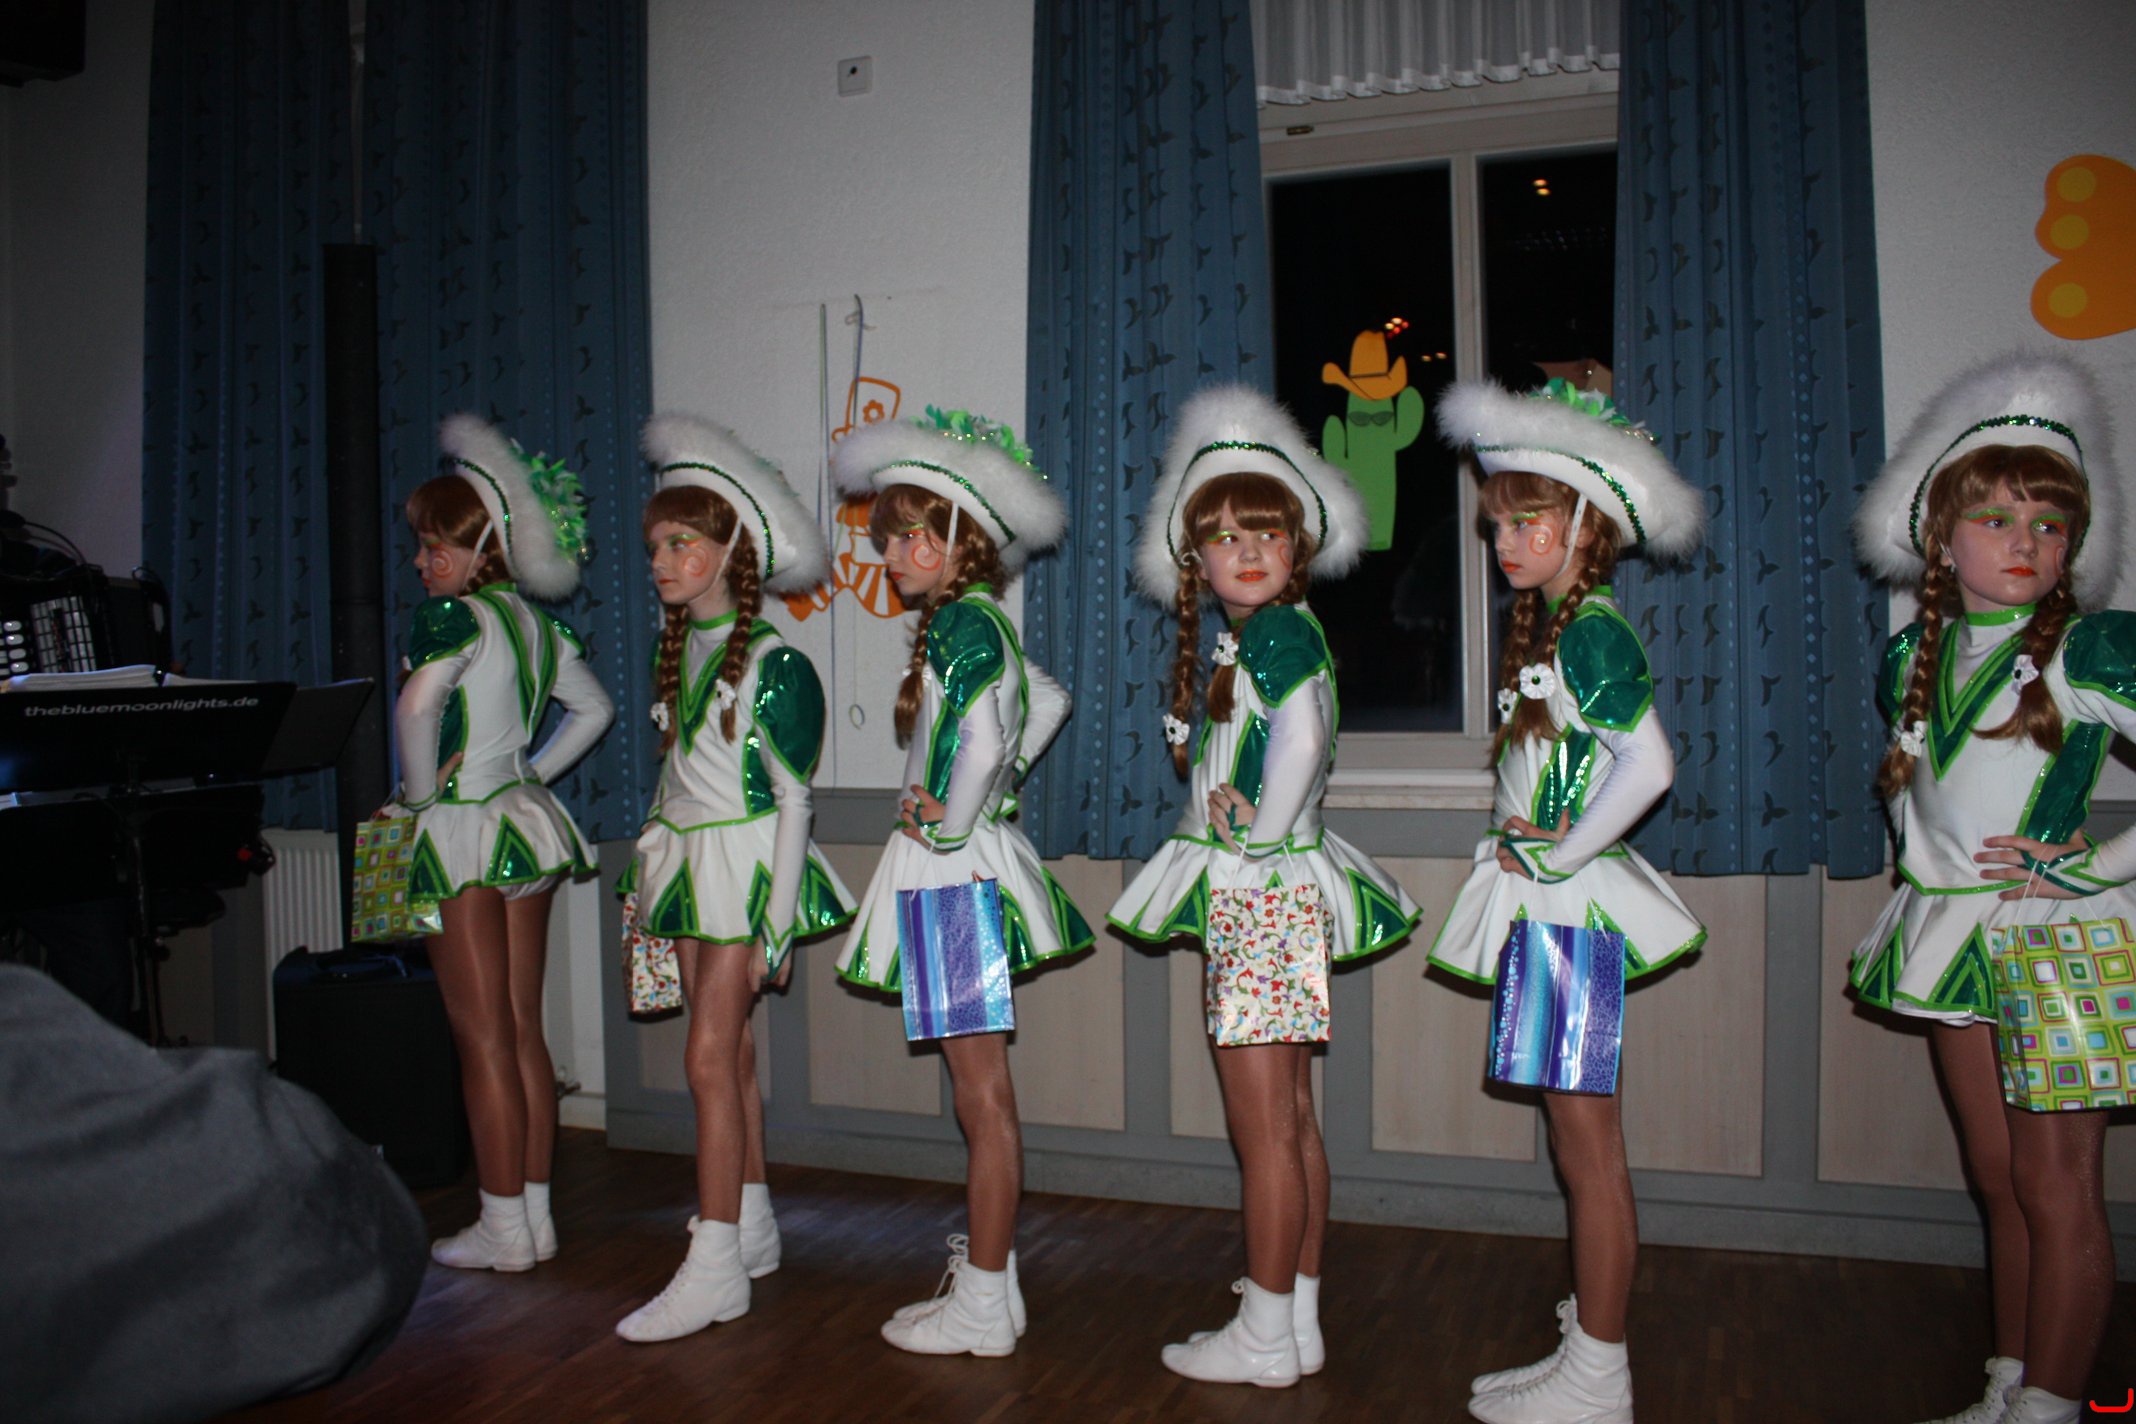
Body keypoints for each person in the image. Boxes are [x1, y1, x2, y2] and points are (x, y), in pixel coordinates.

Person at [1109, 385, 1421, 1388]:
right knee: (1290, 1119)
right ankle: (1298, 1319)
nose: (1247, 550)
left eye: (1267, 532)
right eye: (1225, 536)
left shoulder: (1278, 634)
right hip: (1278, 891)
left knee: (1264, 1132)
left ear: (1297, 546)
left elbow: (1305, 737)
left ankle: (1265, 1333)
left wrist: (1261, 830)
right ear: (1195, 560)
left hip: (1260, 895)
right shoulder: (1271, 634)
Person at [1850, 355, 2125, 1424]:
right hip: (1949, 930)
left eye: (2050, 524)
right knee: (1998, 1173)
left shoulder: (2091, 648)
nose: (2026, 542)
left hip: (2053, 938)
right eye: (1999, 518)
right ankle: (2009, 1385)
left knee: (2059, 1186)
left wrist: (2096, 866)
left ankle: (2053, 1405)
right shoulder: (1911, 656)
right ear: (1941, 537)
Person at [1428, 378, 1708, 1424]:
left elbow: (1652, 764)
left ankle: (1598, 1376)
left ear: (1586, 524)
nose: (1506, 540)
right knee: (1577, 1146)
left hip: (1569, 913)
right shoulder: (1558, 627)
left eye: (1528, 520)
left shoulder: (1589, 632)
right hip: (1554, 906)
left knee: (1589, 1153)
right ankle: (1588, 1352)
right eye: (1499, 522)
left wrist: (1561, 855)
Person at [829, 406, 1093, 1357]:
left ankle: (982, 1303)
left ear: (962, 541)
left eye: (914, 537)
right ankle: (994, 1288)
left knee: (981, 1097)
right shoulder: (980, 622)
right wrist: (992, 791)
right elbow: (1044, 702)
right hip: (964, 859)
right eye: (890, 539)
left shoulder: (959, 624)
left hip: (948, 870)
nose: (896, 555)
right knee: (982, 1091)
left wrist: (955, 814)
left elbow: (981, 735)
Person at [612, 414, 855, 1341]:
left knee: (707, 1059)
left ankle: (714, 1266)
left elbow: (794, 801)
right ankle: (749, 1224)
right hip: (686, 861)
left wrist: (778, 922)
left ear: (730, 553)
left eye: (683, 544)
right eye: (656, 547)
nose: (664, 563)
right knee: (731, 1054)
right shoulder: (675, 648)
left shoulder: (776, 664)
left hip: (742, 872)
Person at [393, 413, 614, 1272]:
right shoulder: (532, 623)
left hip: (464, 831)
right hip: (524, 825)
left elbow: (417, 709)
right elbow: (593, 709)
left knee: (480, 1035)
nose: (423, 563)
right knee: (523, 1029)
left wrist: (422, 800)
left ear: (481, 546)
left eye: (436, 547)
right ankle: (534, 1217)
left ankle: (501, 1226)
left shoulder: (450, 619)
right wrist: (529, 772)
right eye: (421, 547)